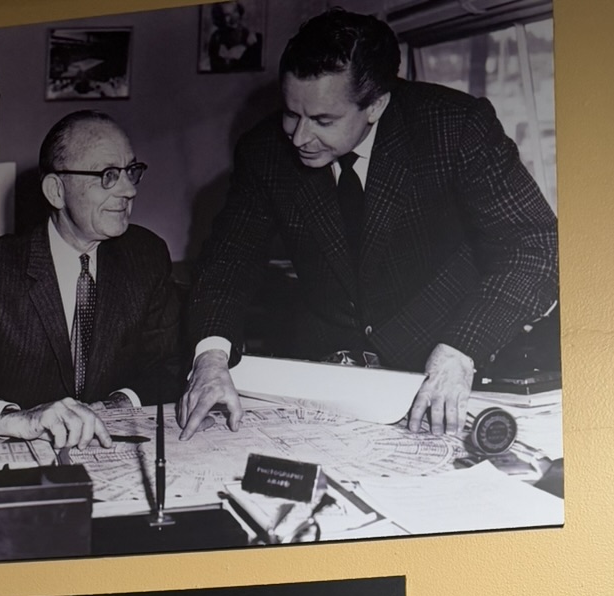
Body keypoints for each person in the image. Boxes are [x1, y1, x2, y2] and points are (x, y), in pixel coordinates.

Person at [180, 8, 558, 440]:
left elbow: (537, 247)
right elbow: (229, 261)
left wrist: (462, 349)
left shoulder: (455, 128)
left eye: (323, 121)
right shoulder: (263, 151)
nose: (299, 137)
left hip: (445, 365)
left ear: (376, 104)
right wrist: (211, 358)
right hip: (324, 373)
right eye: (290, 113)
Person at [0, 111, 179, 450]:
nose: (129, 190)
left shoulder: (146, 256)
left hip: (113, 453)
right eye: (108, 175)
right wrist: (16, 419)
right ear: (56, 191)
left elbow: (170, 364)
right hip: (12, 459)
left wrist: (120, 402)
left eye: (131, 171)